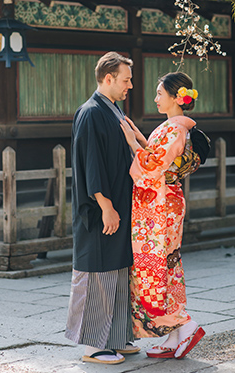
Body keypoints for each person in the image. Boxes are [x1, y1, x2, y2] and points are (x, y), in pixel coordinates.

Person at [120, 71, 207, 360]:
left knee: (156, 266)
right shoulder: (173, 128)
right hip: (164, 200)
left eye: (160, 94)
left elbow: (154, 166)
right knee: (166, 265)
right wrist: (140, 136)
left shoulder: (174, 129)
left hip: (160, 206)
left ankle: (184, 323)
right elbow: (158, 156)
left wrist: (132, 142)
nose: (156, 99)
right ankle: (172, 336)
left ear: (174, 97)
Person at [65, 52, 140, 365]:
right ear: (108, 79)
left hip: (119, 204)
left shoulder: (113, 110)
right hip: (100, 211)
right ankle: (93, 346)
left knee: (118, 268)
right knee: (97, 272)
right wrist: (106, 206)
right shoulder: (91, 112)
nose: (130, 86)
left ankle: (117, 337)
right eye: (126, 80)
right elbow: (91, 164)